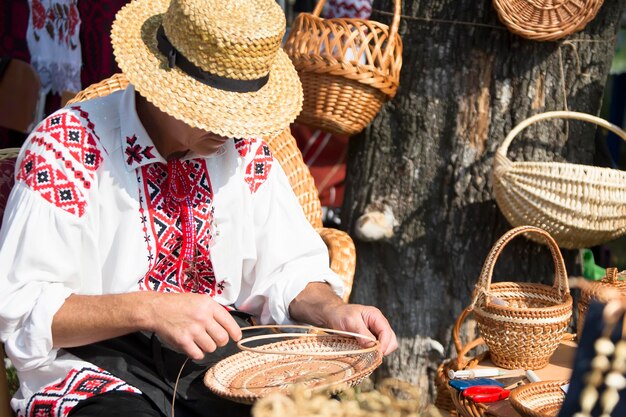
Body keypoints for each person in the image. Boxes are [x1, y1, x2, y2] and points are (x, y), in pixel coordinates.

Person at [0, 0, 398, 416]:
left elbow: (289, 269)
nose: (233, 128)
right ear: (164, 88)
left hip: (220, 358)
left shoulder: (244, 148)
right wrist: (149, 308)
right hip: (89, 365)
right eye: (217, 110)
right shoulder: (67, 148)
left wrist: (334, 310)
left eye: (242, 113)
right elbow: (21, 306)